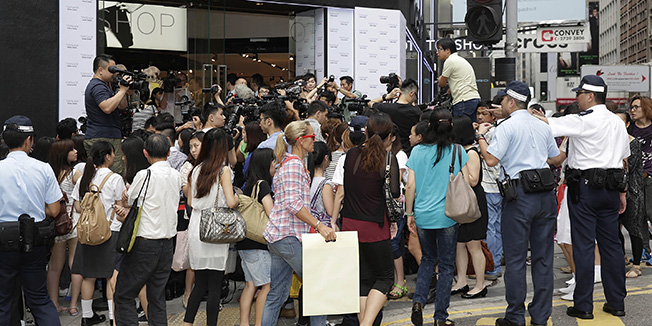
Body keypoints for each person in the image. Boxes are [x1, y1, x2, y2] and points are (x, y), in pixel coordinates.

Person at [535, 75, 629, 320]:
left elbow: (548, 125)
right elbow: (622, 159)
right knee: (611, 247)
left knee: (584, 247)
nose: (576, 98)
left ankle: (584, 305)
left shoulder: (583, 120)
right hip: (611, 187)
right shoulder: (617, 122)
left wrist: (534, 117)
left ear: (590, 96)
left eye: (579, 94)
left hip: (585, 189)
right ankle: (617, 302)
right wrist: (622, 193)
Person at [476, 81, 562, 326]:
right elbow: (553, 158)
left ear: (511, 102)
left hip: (519, 195)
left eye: (502, 101)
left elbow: (491, 160)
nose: (500, 105)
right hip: (545, 195)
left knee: (515, 260)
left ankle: (515, 316)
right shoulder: (541, 125)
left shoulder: (506, 126)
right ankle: (540, 316)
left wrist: (481, 136)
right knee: (543, 258)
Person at [261, 121, 336, 326]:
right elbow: (294, 203)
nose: (315, 141)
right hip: (289, 236)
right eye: (312, 137)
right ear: (301, 141)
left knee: (276, 294)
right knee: (317, 285)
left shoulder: (287, 162)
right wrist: (319, 225)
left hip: (280, 236)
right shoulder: (294, 164)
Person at [405, 109, 470, 326]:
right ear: (450, 126)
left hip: (423, 215)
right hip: (448, 216)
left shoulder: (417, 152)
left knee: (427, 260)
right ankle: (440, 317)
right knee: (446, 266)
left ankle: (419, 301)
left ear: (429, 127)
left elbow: (411, 186)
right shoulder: (458, 151)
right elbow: (469, 180)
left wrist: (409, 214)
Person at [337, 113, 399, 326]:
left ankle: (364, 322)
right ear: (390, 136)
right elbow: (394, 192)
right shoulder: (389, 159)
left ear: (365, 131)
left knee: (363, 280)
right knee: (384, 278)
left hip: (349, 224)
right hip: (375, 226)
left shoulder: (351, 154)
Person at [114, 134, 182, 325]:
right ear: (169, 152)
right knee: (157, 297)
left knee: (124, 294)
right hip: (167, 244)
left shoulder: (145, 175)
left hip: (145, 243)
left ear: (145, 153)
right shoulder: (176, 175)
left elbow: (129, 198)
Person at [0, 116, 61, 326]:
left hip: (3, 242)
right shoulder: (43, 168)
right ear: (28, 140)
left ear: (5, 141)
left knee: (3, 301)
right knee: (40, 300)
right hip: (34, 240)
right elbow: (54, 209)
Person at [184, 129, 240, 326]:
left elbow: (190, 201)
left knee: (200, 283)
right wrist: (238, 197)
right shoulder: (224, 170)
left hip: (197, 225)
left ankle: (187, 322)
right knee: (215, 284)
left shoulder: (195, 169)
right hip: (216, 227)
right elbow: (231, 202)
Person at [70, 140, 126, 326]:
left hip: (87, 233)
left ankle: (87, 317)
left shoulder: (85, 177)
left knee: (88, 275)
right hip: (110, 231)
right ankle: (112, 318)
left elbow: (78, 207)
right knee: (111, 276)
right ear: (109, 157)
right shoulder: (115, 179)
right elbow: (120, 206)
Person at [450, 116, 489, 299]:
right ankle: (462, 281)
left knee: (474, 245)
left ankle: (480, 285)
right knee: (460, 244)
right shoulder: (459, 150)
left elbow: (473, 180)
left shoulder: (471, 152)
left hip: (472, 201)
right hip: (461, 200)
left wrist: (461, 168)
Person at [238, 148, 276, 326]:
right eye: (273, 161)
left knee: (250, 285)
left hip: (244, 242)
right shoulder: (263, 185)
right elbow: (271, 213)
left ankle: (245, 323)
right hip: (258, 244)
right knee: (267, 286)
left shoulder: (248, 185)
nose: (275, 165)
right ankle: (260, 323)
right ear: (265, 164)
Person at [46, 139, 83, 316]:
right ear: (64, 153)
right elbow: (84, 194)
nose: (75, 151)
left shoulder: (49, 174)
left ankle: (54, 304)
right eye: (71, 150)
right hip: (74, 222)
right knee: (74, 264)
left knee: (55, 267)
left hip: (57, 224)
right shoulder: (74, 173)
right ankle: (74, 304)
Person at [83, 54, 131, 175]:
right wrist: (122, 91)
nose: (114, 74)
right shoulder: (98, 86)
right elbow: (107, 107)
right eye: (111, 70)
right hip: (103, 137)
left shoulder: (105, 86)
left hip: (106, 135)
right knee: (112, 175)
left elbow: (122, 106)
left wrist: (122, 90)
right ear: (100, 70)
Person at [614, 109, 648, 278]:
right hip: (614, 190)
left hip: (632, 191)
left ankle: (636, 265)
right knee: (613, 228)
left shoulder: (633, 143)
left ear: (627, 125)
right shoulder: (609, 141)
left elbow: (627, 168)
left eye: (621, 122)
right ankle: (622, 258)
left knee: (634, 228)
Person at [474, 102, 503, 280]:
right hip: (498, 187)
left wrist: (479, 136)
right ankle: (495, 263)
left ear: (493, 117)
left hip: (490, 186)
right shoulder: (500, 132)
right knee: (496, 227)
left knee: (491, 228)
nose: (480, 117)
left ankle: (492, 266)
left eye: (484, 114)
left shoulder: (489, 134)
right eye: (478, 114)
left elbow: (485, 157)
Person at [179, 131, 204, 307]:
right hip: (194, 216)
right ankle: (188, 293)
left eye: (197, 146)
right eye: (191, 147)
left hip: (211, 217)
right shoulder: (187, 166)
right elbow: (188, 194)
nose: (194, 150)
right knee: (192, 260)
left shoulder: (216, 164)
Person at [368, 78, 422, 154]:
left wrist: (387, 96)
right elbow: (413, 106)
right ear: (412, 94)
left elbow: (370, 103)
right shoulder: (416, 111)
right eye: (416, 95)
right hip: (408, 152)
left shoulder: (386, 108)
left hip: (389, 151)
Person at [436, 38, 481, 122]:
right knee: (470, 129)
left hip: (463, 101)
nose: (437, 52)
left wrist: (440, 78)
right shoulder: (460, 60)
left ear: (448, 50)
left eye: (440, 49)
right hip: (473, 99)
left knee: (459, 130)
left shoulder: (450, 61)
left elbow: (441, 83)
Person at [308, 141, 335, 228]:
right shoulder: (325, 184)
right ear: (326, 158)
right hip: (321, 228)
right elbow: (330, 211)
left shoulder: (306, 180)